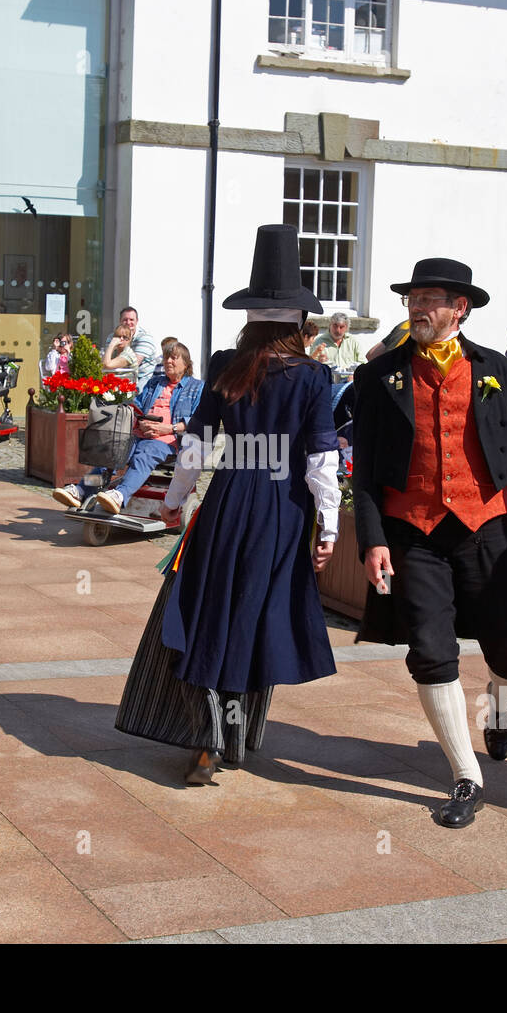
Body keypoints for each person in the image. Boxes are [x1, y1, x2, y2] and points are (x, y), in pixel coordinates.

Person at [115, 225, 340, 784]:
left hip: (227, 503)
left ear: (252, 316)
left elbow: (194, 444)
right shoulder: (314, 378)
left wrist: (173, 499)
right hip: (285, 510)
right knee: (257, 618)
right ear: (301, 323)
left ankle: (208, 742)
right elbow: (321, 462)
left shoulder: (224, 365)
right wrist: (329, 527)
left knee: (212, 612)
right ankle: (235, 736)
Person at [352, 257, 507, 828]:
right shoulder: (379, 376)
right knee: (431, 651)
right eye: (413, 298)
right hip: (413, 530)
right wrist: (371, 540)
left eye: (431, 298)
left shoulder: (501, 372)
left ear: (460, 308)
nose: (419, 307)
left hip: (490, 525)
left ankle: (501, 696)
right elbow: (364, 468)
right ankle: (467, 776)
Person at [52, 342, 204, 514]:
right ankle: (81, 490)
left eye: (173, 358)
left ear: (186, 363)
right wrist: (139, 421)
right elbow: (136, 406)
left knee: (143, 455)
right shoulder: (155, 383)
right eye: (166, 357)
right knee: (110, 456)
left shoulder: (197, 387)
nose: (168, 361)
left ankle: (120, 495)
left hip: (168, 440)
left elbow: (197, 420)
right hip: (139, 433)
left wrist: (168, 428)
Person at [100, 306, 157, 387]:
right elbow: (106, 361)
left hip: (141, 377)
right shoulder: (113, 336)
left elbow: (108, 364)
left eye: (131, 319)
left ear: (137, 321)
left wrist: (112, 345)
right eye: (125, 319)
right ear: (120, 321)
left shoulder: (145, 338)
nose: (128, 322)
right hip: (119, 375)